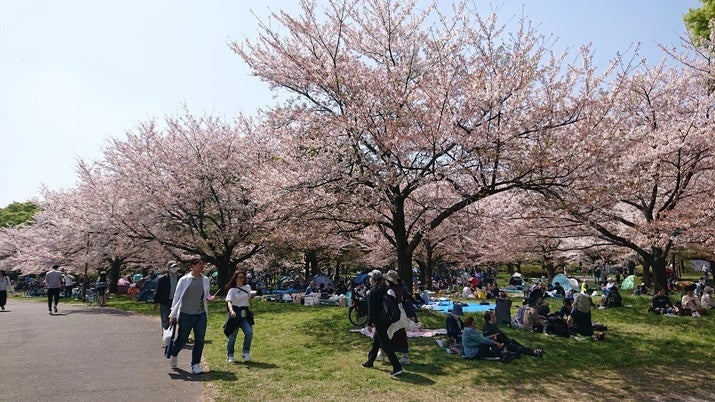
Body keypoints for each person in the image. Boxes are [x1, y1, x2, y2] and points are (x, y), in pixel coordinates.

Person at [167, 256, 214, 375]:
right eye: (199, 264)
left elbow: (206, 295)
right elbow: (177, 298)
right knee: (182, 339)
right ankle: (174, 353)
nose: (201, 266)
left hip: (200, 314)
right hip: (186, 314)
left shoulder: (205, 279)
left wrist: (209, 298)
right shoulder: (184, 280)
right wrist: (173, 315)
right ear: (192, 266)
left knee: (200, 340)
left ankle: (195, 364)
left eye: (202, 264)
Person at [361, 270, 403, 377]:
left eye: (370, 277)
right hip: (386, 319)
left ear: (373, 279)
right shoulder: (384, 287)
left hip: (380, 320)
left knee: (385, 343)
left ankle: (397, 367)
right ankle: (370, 361)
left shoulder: (374, 290)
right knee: (376, 341)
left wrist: (369, 323)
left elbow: (372, 309)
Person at [377, 270, 411, 365]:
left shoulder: (391, 291)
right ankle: (405, 356)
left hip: (395, 314)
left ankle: (382, 354)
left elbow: (390, 304)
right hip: (401, 313)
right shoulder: (399, 289)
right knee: (400, 335)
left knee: (387, 334)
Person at [224, 270, 254, 363]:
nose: (242, 279)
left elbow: (249, 300)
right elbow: (229, 302)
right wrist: (231, 310)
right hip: (235, 314)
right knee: (232, 337)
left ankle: (245, 352)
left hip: (244, 314)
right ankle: (230, 355)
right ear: (235, 278)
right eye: (240, 277)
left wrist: (252, 297)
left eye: (243, 277)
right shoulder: (232, 290)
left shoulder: (247, 287)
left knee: (249, 332)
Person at [153, 261, 181, 331]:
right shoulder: (163, 278)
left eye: (176, 267)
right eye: (173, 267)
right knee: (165, 319)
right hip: (165, 301)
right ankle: (166, 333)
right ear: (168, 268)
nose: (174, 269)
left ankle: (173, 334)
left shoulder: (181, 277)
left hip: (177, 301)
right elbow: (158, 291)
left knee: (177, 319)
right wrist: (156, 302)